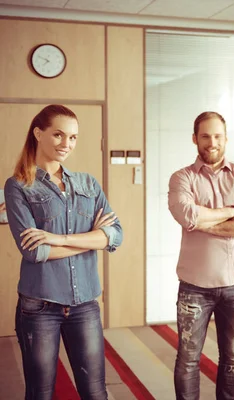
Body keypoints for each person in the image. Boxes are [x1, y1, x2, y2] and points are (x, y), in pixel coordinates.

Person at [4, 104, 123, 400]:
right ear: (38, 133)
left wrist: (57, 239)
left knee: (95, 392)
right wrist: (91, 238)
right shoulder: (19, 186)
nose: (66, 144)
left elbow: (115, 236)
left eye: (72, 138)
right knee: (40, 393)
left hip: (85, 303)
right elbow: (35, 252)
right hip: (40, 306)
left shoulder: (88, 183)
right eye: (58, 135)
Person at [168, 111, 234, 400]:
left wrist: (205, 220)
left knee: (233, 358)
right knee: (188, 358)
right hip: (195, 286)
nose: (212, 142)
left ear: (226, 139)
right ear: (195, 138)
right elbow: (187, 215)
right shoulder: (181, 178)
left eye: (218, 136)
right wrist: (232, 211)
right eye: (206, 136)